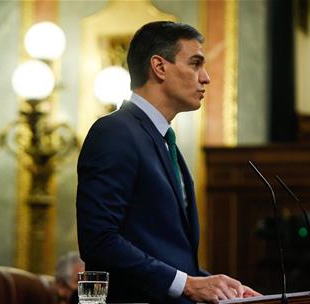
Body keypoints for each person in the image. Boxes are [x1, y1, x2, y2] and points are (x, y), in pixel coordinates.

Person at [76, 21, 260, 303]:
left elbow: (167, 255)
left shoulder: (164, 141)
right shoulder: (115, 132)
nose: (206, 77)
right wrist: (188, 284)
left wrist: (223, 290)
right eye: (195, 64)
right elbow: (98, 241)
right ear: (159, 67)